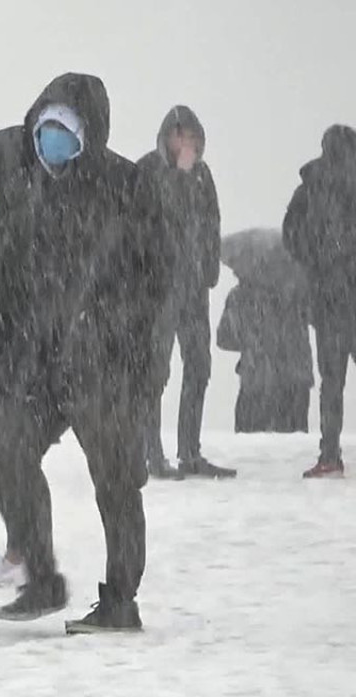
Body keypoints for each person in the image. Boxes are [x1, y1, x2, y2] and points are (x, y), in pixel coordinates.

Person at [0, 73, 172, 633]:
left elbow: (155, 278)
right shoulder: (29, 190)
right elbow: (1, 271)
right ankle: (43, 578)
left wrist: (121, 342)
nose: (47, 141)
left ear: (88, 134)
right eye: (41, 130)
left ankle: (120, 600)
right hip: (41, 362)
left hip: (102, 363)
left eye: (60, 130)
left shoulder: (127, 187)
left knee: (114, 480)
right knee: (5, 450)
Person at [137, 106, 236, 479]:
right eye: (180, 135)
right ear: (167, 137)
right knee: (155, 372)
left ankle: (189, 451)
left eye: (191, 136)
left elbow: (212, 220)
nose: (186, 143)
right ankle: (152, 455)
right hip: (158, 290)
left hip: (193, 288)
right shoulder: (147, 170)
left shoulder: (202, 175)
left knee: (199, 366)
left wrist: (209, 267)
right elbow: (137, 227)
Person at [284, 124, 356, 478]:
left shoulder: (310, 187)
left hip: (328, 300)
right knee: (331, 379)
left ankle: (330, 455)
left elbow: (290, 235)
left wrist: (316, 259)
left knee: (331, 380)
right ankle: (329, 454)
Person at [217, 278, 313, 433]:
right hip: (291, 382)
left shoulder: (240, 294)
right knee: (292, 447)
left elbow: (224, 338)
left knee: (251, 447)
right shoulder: (299, 292)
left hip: (257, 382)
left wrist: (250, 343)